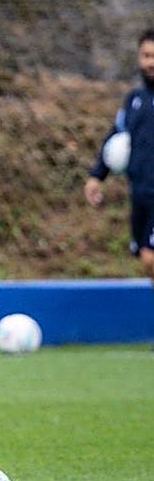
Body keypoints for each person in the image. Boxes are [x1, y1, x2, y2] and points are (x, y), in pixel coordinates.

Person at [84, 28, 154, 288]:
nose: (151, 62)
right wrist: (96, 176)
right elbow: (117, 136)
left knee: (151, 259)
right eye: (146, 55)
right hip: (140, 195)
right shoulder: (134, 100)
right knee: (146, 257)